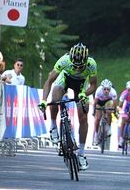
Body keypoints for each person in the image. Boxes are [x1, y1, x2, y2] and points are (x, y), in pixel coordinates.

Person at [38, 42, 97, 170]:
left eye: (80, 67)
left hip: (81, 85)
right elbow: (49, 81)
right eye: (75, 66)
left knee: (83, 117)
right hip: (65, 79)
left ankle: (81, 154)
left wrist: (84, 94)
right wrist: (43, 100)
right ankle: (53, 126)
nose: (77, 69)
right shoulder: (64, 60)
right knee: (55, 98)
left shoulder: (92, 64)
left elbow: (93, 86)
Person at [92, 79, 117, 145]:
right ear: (102, 89)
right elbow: (95, 102)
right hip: (99, 102)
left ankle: (109, 128)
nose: (106, 91)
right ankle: (96, 135)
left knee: (109, 111)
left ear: (110, 89)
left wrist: (114, 111)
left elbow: (114, 104)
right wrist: (93, 110)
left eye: (108, 89)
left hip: (108, 101)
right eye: (105, 89)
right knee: (98, 118)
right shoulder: (98, 91)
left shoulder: (113, 92)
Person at [117, 80, 130, 148]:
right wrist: (120, 110)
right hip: (125, 106)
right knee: (123, 120)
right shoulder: (124, 93)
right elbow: (120, 105)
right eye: (129, 90)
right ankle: (121, 138)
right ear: (127, 89)